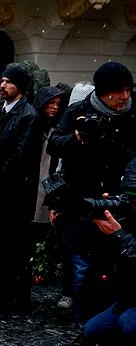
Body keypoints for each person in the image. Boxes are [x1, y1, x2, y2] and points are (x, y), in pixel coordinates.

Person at [47, 63, 136, 324]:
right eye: (118, 91)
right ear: (103, 92)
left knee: (118, 261)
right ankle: (86, 322)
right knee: (83, 264)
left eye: (128, 90)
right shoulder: (79, 111)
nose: (125, 97)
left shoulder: (133, 114)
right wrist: (77, 137)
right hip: (82, 199)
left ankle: (112, 318)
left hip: (120, 197)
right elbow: (54, 145)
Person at [0, 64, 41, 312]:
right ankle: (3, 290)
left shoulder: (29, 115)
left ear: (20, 86)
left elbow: (21, 156)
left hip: (16, 191)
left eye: (8, 81)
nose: (2, 85)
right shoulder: (0, 111)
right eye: (2, 80)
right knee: (0, 243)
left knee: (17, 246)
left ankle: (18, 297)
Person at [67, 162, 136, 346]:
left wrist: (120, 235)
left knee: (128, 324)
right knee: (92, 330)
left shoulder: (123, 229)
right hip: (128, 298)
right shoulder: (126, 218)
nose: (130, 205)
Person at [31, 85, 69, 306]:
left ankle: (43, 268)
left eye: (57, 104)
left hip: (49, 181)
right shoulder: (36, 126)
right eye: (51, 103)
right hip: (35, 181)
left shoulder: (57, 129)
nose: (54, 108)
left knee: (47, 231)